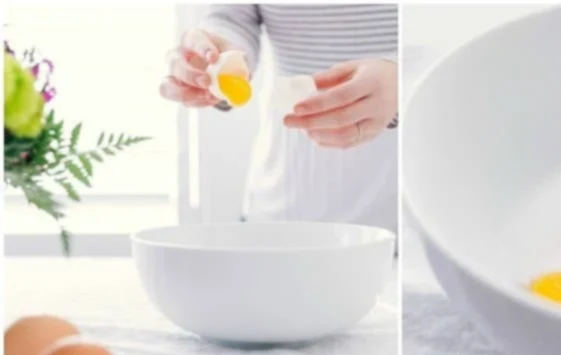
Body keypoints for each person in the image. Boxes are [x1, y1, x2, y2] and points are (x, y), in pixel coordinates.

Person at [160, 4, 398, 232]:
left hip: (407, 215)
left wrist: (402, 74)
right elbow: (233, 18)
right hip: (281, 209)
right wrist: (215, 60)